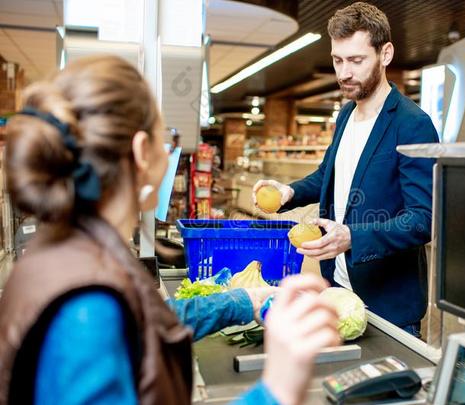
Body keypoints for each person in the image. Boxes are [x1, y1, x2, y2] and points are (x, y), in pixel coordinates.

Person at [0, 55, 340, 405]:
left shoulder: (64, 250)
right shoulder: (88, 311)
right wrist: (278, 388)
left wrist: (242, 302)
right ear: (142, 151)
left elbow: (140, 325)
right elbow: (112, 327)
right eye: (170, 137)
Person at [254, 2, 438, 336]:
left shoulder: (413, 124)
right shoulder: (345, 116)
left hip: (388, 304)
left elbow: (424, 218)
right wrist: (288, 192)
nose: (344, 73)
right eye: (338, 60)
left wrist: (353, 237)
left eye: (356, 60)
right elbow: (328, 175)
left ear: (385, 54)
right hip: (338, 290)